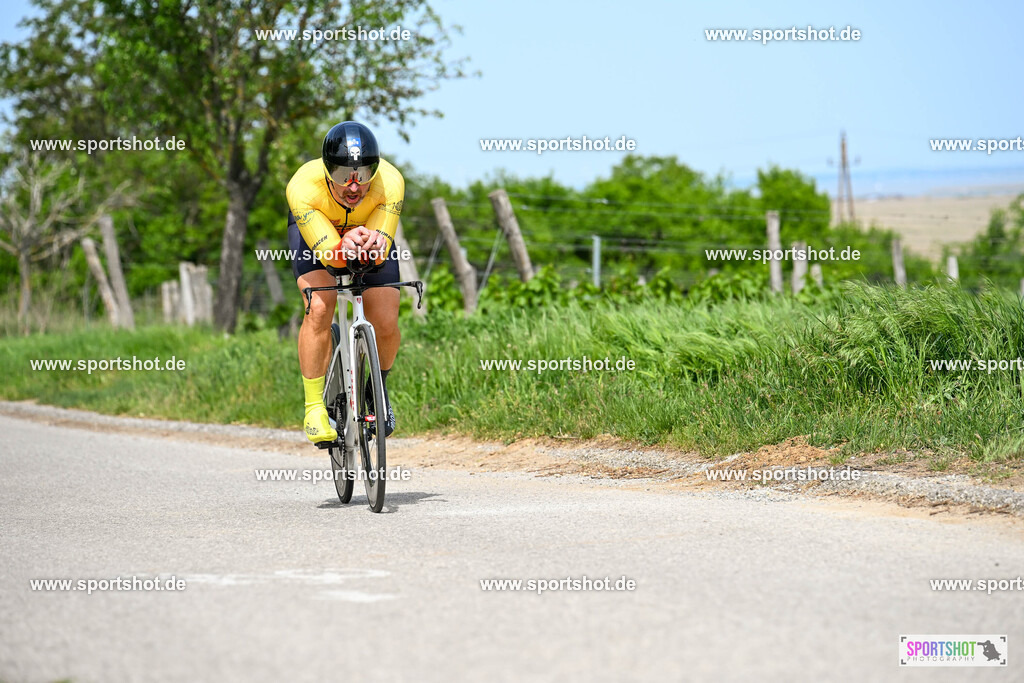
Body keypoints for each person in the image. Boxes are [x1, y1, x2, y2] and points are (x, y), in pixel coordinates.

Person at [285, 121, 404, 444]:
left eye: (364, 175)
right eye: (342, 177)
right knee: (320, 306)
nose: (353, 187)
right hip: (318, 233)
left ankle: (375, 392)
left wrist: (369, 242)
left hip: (365, 233)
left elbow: (378, 254)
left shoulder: (390, 184)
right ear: (327, 172)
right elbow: (330, 256)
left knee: (386, 317)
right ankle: (313, 408)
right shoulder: (303, 188)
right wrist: (343, 242)